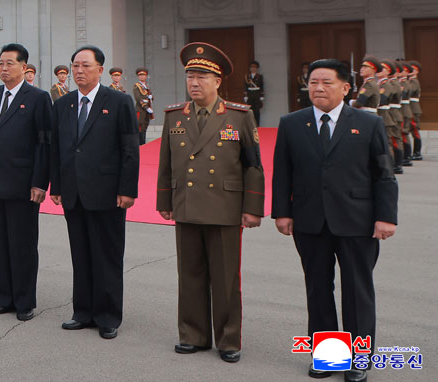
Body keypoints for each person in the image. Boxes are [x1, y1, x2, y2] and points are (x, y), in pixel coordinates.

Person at [272, 58, 398, 382]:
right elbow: (282, 172)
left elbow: (383, 174)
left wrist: (386, 217)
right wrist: (282, 212)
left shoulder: (368, 124)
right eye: (313, 82)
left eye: (326, 82)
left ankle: (359, 358)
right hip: (309, 220)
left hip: (358, 220)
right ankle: (329, 356)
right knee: (318, 288)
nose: (318, 88)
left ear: (345, 87)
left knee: (357, 290)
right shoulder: (291, 123)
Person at [157, 42, 264, 363]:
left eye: (202, 76)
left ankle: (229, 339)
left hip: (224, 208)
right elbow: (165, 162)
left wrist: (252, 208)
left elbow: (253, 165)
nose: (194, 82)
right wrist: (164, 200)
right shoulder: (175, 116)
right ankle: (193, 334)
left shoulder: (238, 116)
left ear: (217, 82)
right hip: (187, 205)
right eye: (190, 75)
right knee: (189, 275)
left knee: (226, 278)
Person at [50, 46, 139, 340]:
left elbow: (129, 149)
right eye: (75, 66)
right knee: (81, 254)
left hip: (108, 193)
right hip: (74, 192)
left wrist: (127, 189)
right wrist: (57, 186)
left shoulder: (119, 101)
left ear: (100, 70)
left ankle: (108, 315)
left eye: (85, 66)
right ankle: (83, 312)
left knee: (107, 256)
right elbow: (57, 149)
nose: (78, 71)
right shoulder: (63, 105)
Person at [0, 43, 51, 321]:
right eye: (0, 63)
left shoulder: (37, 98)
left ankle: (24, 300)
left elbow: (44, 142)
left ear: (24, 67)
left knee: (22, 243)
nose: (4, 68)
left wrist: (40, 182)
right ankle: (2, 297)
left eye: (9, 63)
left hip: (22, 183)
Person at [132, 67, 153, 145]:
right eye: (140, 75)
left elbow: (149, 96)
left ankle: (143, 144)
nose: (142, 77)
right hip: (140, 109)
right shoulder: (137, 86)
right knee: (139, 127)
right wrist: (146, 107)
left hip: (146, 110)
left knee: (145, 127)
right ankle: (139, 145)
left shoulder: (146, 86)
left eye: (143, 75)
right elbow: (138, 98)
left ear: (146, 76)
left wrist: (151, 97)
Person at [408, 61, 423, 161]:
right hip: (411, 107)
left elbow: (409, 91)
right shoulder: (410, 81)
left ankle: (417, 152)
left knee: (415, 130)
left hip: (413, 108)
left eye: (412, 69)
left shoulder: (414, 82)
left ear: (417, 71)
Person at [244, 60, 264, 126]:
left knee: (257, 111)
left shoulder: (259, 77)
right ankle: (251, 125)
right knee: (250, 111)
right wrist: (245, 95)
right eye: (251, 67)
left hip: (257, 94)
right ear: (250, 68)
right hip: (250, 94)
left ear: (257, 68)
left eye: (254, 67)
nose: (253, 69)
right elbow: (246, 86)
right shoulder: (247, 76)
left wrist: (261, 96)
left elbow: (261, 86)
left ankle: (257, 125)